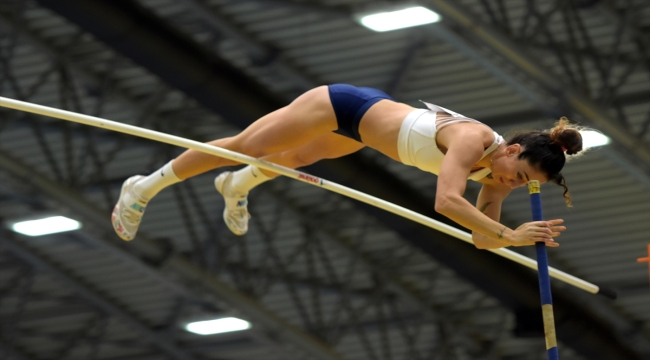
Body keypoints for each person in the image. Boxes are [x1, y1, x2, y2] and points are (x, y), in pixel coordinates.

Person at [111, 84, 583, 249]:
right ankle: (143, 189)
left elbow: (481, 238)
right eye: (518, 175)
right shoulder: (472, 137)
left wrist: (515, 236)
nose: (509, 184)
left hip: (363, 135)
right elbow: (446, 202)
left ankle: (235, 187)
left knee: (295, 159)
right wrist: (508, 236)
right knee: (245, 145)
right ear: (512, 150)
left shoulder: (497, 182)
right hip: (342, 106)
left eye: (522, 187)